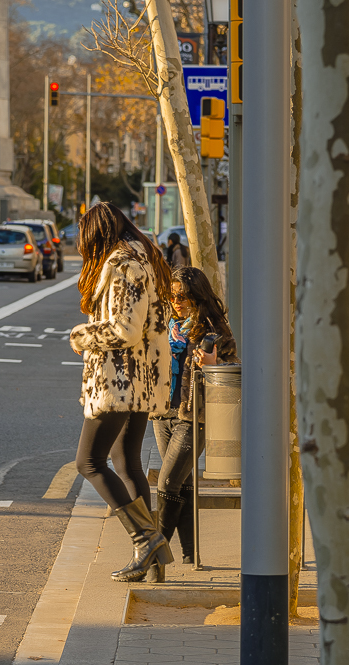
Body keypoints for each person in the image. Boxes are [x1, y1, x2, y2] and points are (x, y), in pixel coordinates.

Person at [70, 201, 174, 583]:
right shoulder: (144, 259)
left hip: (120, 381)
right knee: (127, 463)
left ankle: (145, 539)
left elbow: (124, 330)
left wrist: (82, 336)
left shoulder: (123, 266)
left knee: (89, 462)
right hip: (141, 380)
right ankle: (153, 559)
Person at [151, 266, 238, 564]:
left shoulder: (215, 333)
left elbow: (235, 378)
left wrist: (213, 366)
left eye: (183, 296)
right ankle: (189, 554)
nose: (177, 302)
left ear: (197, 296)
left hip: (193, 418)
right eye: (172, 296)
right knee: (182, 483)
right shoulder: (164, 325)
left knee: (166, 484)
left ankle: (152, 557)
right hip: (162, 414)